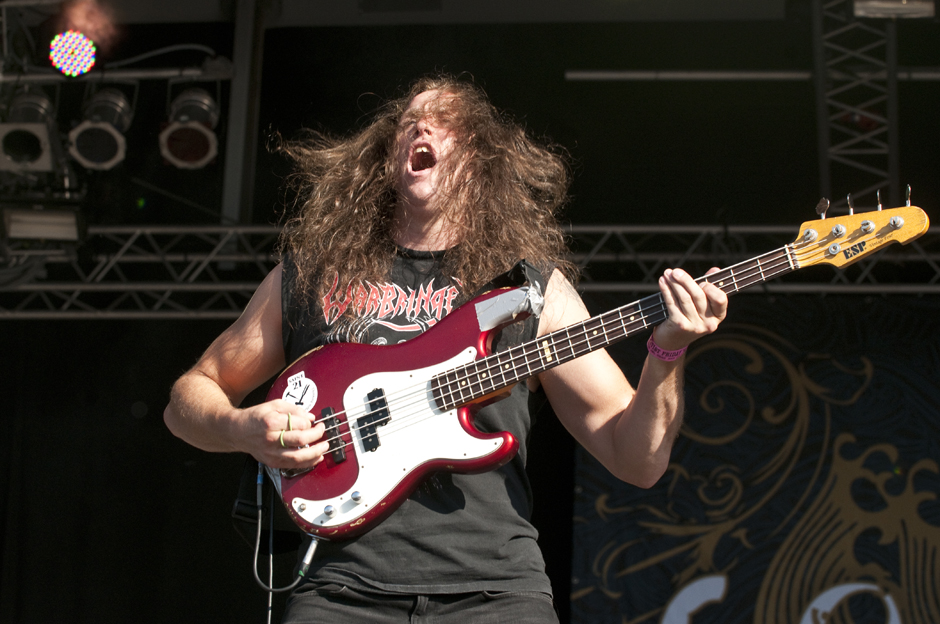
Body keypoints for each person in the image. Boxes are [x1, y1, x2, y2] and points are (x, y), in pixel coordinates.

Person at [163, 74, 728, 623]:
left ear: (481, 161)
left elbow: (639, 459)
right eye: (408, 124)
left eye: (444, 125)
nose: (420, 132)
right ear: (388, 160)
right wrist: (241, 429)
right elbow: (188, 397)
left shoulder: (529, 291)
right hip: (342, 590)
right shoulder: (312, 274)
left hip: (497, 592)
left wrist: (667, 354)